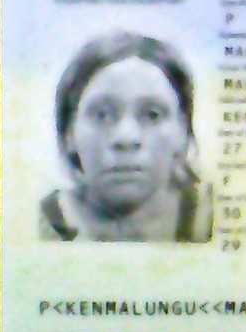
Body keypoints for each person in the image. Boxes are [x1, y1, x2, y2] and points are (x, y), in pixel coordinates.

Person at [40, 31, 212, 243]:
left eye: (152, 115)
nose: (126, 138)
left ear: (183, 132)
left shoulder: (221, 216)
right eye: (102, 115)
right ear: (69, 134)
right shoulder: (39, 223)